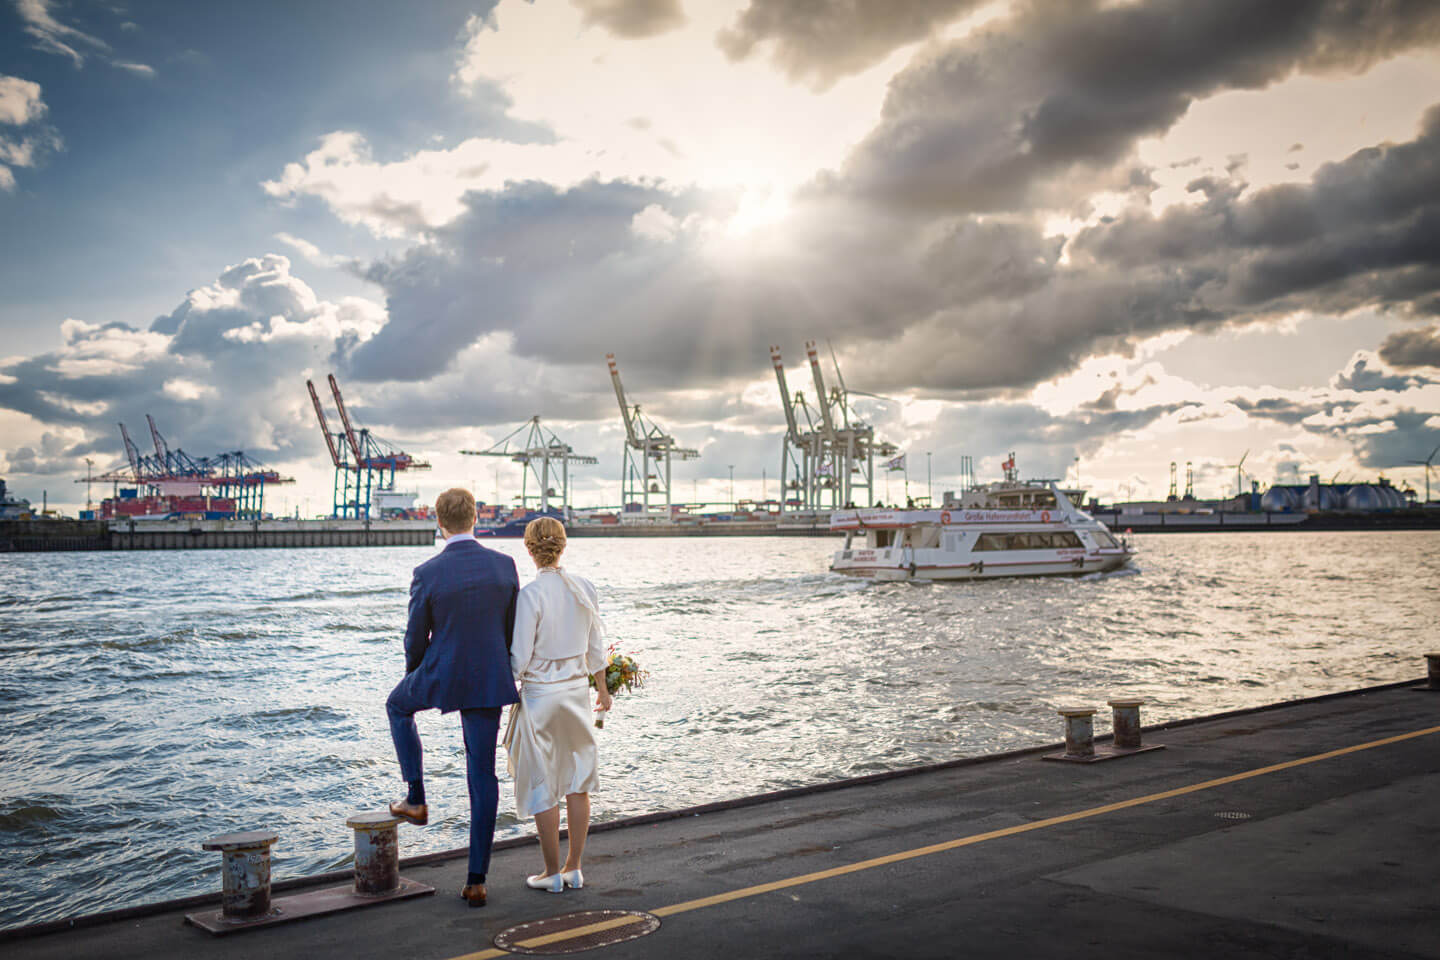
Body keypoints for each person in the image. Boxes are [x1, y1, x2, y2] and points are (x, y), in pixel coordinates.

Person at [385, 487, 519, 908]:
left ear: (438, 522)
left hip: (442, 671)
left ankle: (416, 797)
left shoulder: (428, 571)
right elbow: (511, 629)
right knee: (483, 774)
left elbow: (414, 637)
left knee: (396, 705)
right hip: (489, 675)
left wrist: (417, 675)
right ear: (475, 518)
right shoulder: (505, 566)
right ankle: (476, 880)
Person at [508, 517, 611, 893]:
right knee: (577, 782)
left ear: (529, 549)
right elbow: (596, 649)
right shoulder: (585, 587)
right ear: (563, 546)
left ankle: (550, 873)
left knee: (544, 784)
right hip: (576, 697)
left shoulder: (530, 596)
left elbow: (518, 661)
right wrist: (603, 690)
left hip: (541, 698)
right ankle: (574, 868)